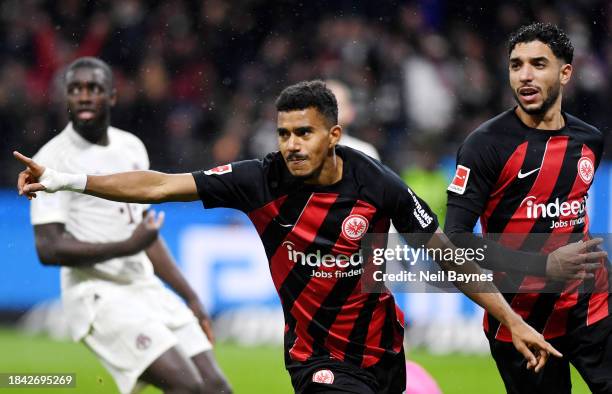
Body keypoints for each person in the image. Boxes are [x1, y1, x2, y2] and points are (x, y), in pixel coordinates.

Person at [15, 80, 563, 394]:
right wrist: (66, 179)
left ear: (334, 134)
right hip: (315, 359)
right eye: (284, 133)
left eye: (304, 132)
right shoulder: (260, 180)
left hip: (383, 354)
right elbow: (158, 185)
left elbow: (446, 257)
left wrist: (511, 320)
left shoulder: (377, 185)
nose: (292, 144)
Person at [23, 57, 231, 394]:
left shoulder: (131, 147)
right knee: (188, 388)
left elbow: (145, 234)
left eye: (94, 88)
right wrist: (127, 246)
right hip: (98, 296)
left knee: (216, 388)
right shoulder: (51, 161)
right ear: (67, 99)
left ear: (112, 97)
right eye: (76, 89)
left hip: (144, 288)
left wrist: (191, 297)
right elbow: (48, 249)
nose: (85, 96)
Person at [445, 23, 612, 393]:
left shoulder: (589, 141)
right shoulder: (484, 146)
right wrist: (543, 265)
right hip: (521, 323)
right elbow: (454, 240)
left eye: (538, 64)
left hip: (592, 308)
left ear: (565, 72)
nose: (525, 75)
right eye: (516, 65)